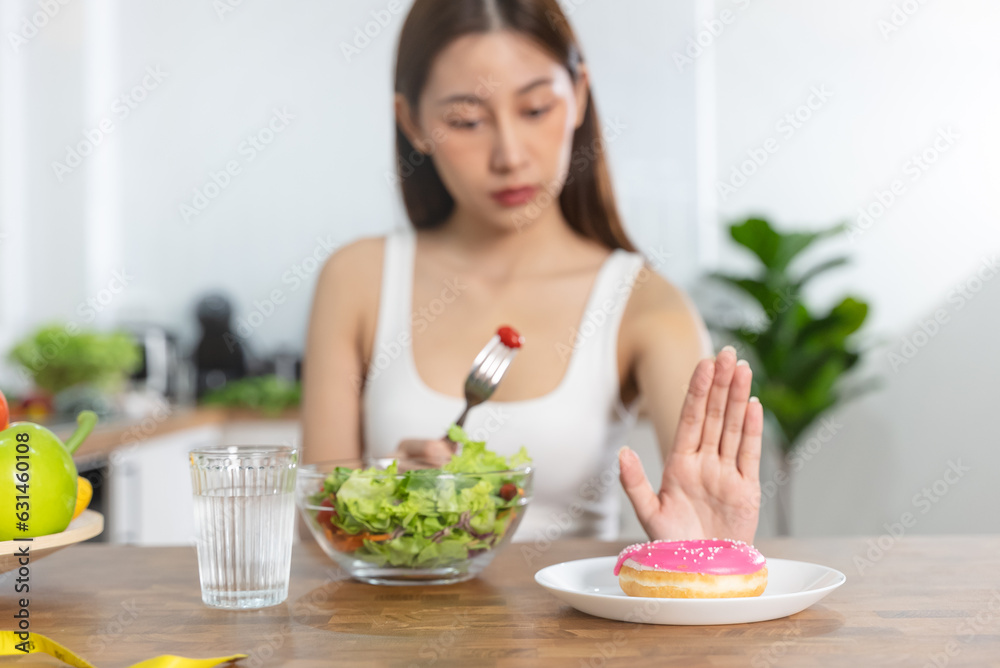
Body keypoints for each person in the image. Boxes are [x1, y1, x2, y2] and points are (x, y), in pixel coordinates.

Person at [302, 0, 762, 545]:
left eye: (537, 108)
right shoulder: (356, 279)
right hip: (394, 626)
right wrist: (384, 498)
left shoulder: (647, 306)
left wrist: (713, 544)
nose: (509, 155)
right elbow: (318, 536)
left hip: (578, 631)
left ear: (579, 97)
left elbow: (703, 508)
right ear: (413, 123)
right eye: (466, 120)